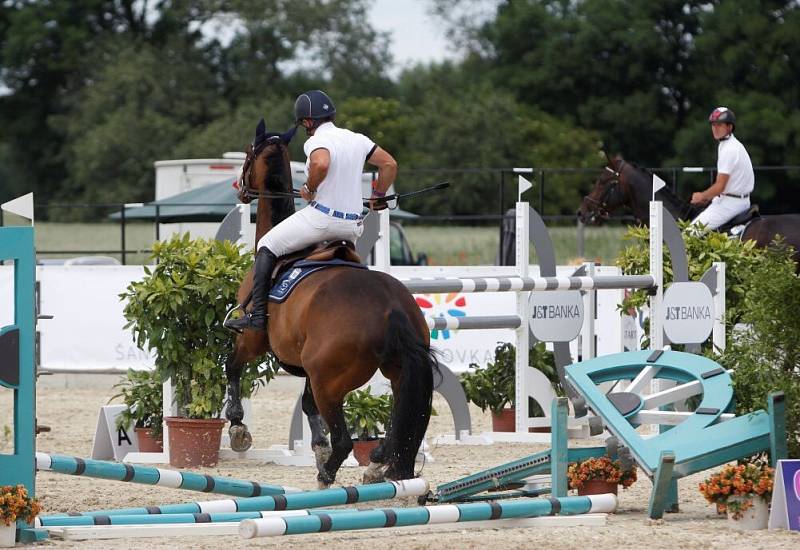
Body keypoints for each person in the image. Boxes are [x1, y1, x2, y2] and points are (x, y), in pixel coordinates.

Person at [225, 90, 398, 332]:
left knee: (266, 244)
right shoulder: (358, 139)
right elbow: (389, 164)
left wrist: (309, 187)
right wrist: (378, 195)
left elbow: (321, 163)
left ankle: (258, 316)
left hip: (322, 220)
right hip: (352, 228)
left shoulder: (315, 141)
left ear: (307, 122)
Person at [690, 107, 754, 230]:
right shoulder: (729, 144)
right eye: (713, 125)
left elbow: (720, 186)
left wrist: (702, 196)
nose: (715, 128)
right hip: (737, 200)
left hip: (730, 205)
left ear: (729, 127)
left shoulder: (729, 149)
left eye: (719, 125)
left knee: (689, 235)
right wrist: (709, 197)